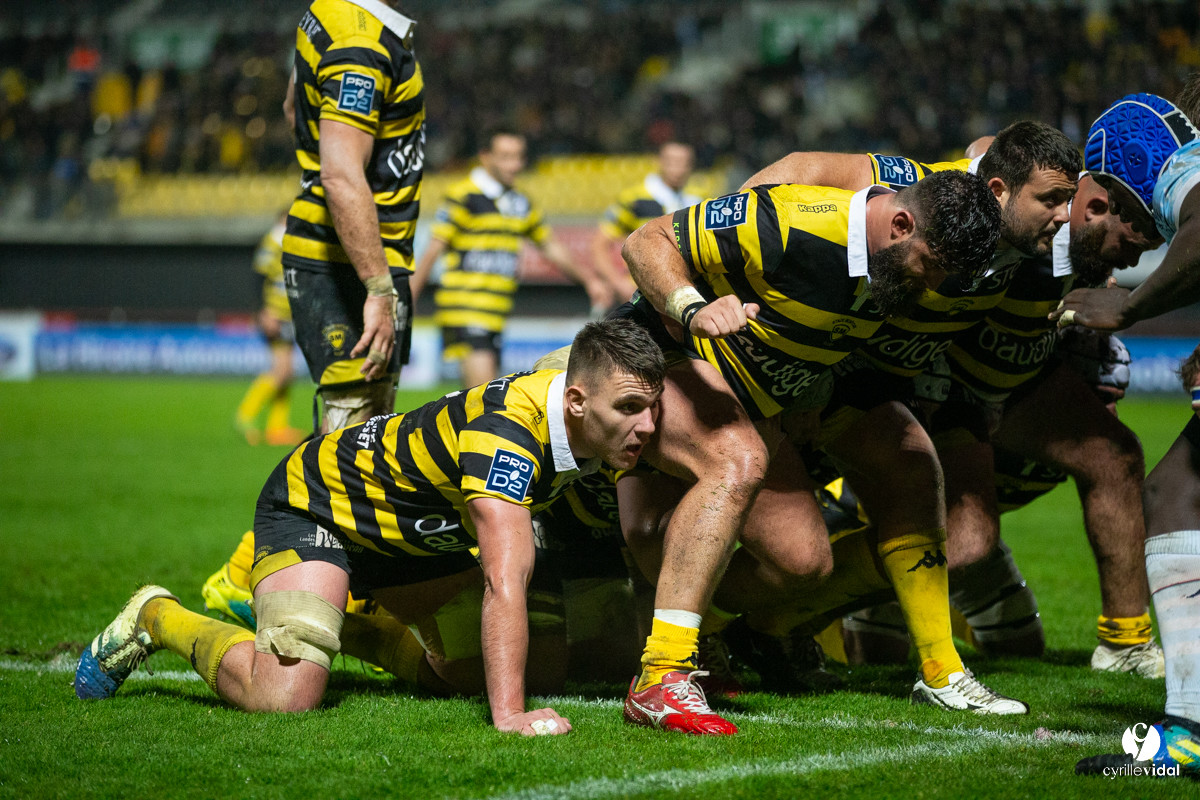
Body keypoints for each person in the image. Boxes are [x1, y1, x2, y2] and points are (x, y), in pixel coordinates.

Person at [74, 320, 664, 738]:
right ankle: (156, 615)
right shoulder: (507, 436)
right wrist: (509, 716)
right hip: (323, 508)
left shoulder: (585, 423)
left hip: (415, 534)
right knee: (284, 700)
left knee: (486, 671)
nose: (648, 426)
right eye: (630, 408)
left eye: (652, 408)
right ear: (578, 401)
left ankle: (346, 629)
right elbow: (503, 580)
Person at [615, 168, 1000, 734]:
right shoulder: (791, 223)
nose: (934, 285)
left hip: (757, 402)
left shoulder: (897, 262)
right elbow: (644, 241)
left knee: (805, 562)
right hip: (655, 360)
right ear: (899, 225)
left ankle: (707, 630)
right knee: (738, 461)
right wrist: (691, 306)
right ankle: (662, 674)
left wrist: (810, 393)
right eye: (932, 266)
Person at [1056, 82, 1200, 778]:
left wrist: (1131, 308)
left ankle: (1188, 736)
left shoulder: (1169, 152)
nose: (1138, 243)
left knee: (1179, 494)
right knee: (1178, 490)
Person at [280, 0, 424, 435]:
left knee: (367, 427)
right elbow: (340, 174)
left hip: (359, 257)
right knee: (354, 430)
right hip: (351, 266)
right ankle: (294, 505)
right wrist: (378, 287)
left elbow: (291, 107)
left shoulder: (329, 13)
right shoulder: (361, 44)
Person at [410, 129, 610, 389]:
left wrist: (590, 280)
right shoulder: (464, 196)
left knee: (480, 397)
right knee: (485, 397)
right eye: (505, 156)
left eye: (518, 156)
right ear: (485, 157)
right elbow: (433, 249)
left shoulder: (520, 202)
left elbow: (549, 246)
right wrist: (410, 297)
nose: (514, 164)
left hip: (496, 312)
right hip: (466, 309)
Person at [588, 142, 699, 307]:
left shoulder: (697, 200)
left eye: (683, 163)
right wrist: (618, 283)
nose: (678, 168)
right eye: (672, 162)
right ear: (660, 162)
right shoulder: (635, 198)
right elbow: (599, 244)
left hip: (684, 296)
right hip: (642, 295)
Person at [234, 212, 306, 446]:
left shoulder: (287, 243)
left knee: (287, 373)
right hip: (274, 315)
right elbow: (258, 277)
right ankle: (245, 415)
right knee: (282, 371)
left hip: (286, 315)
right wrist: (263, 312)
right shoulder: (273, 241)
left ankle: (277, 427)